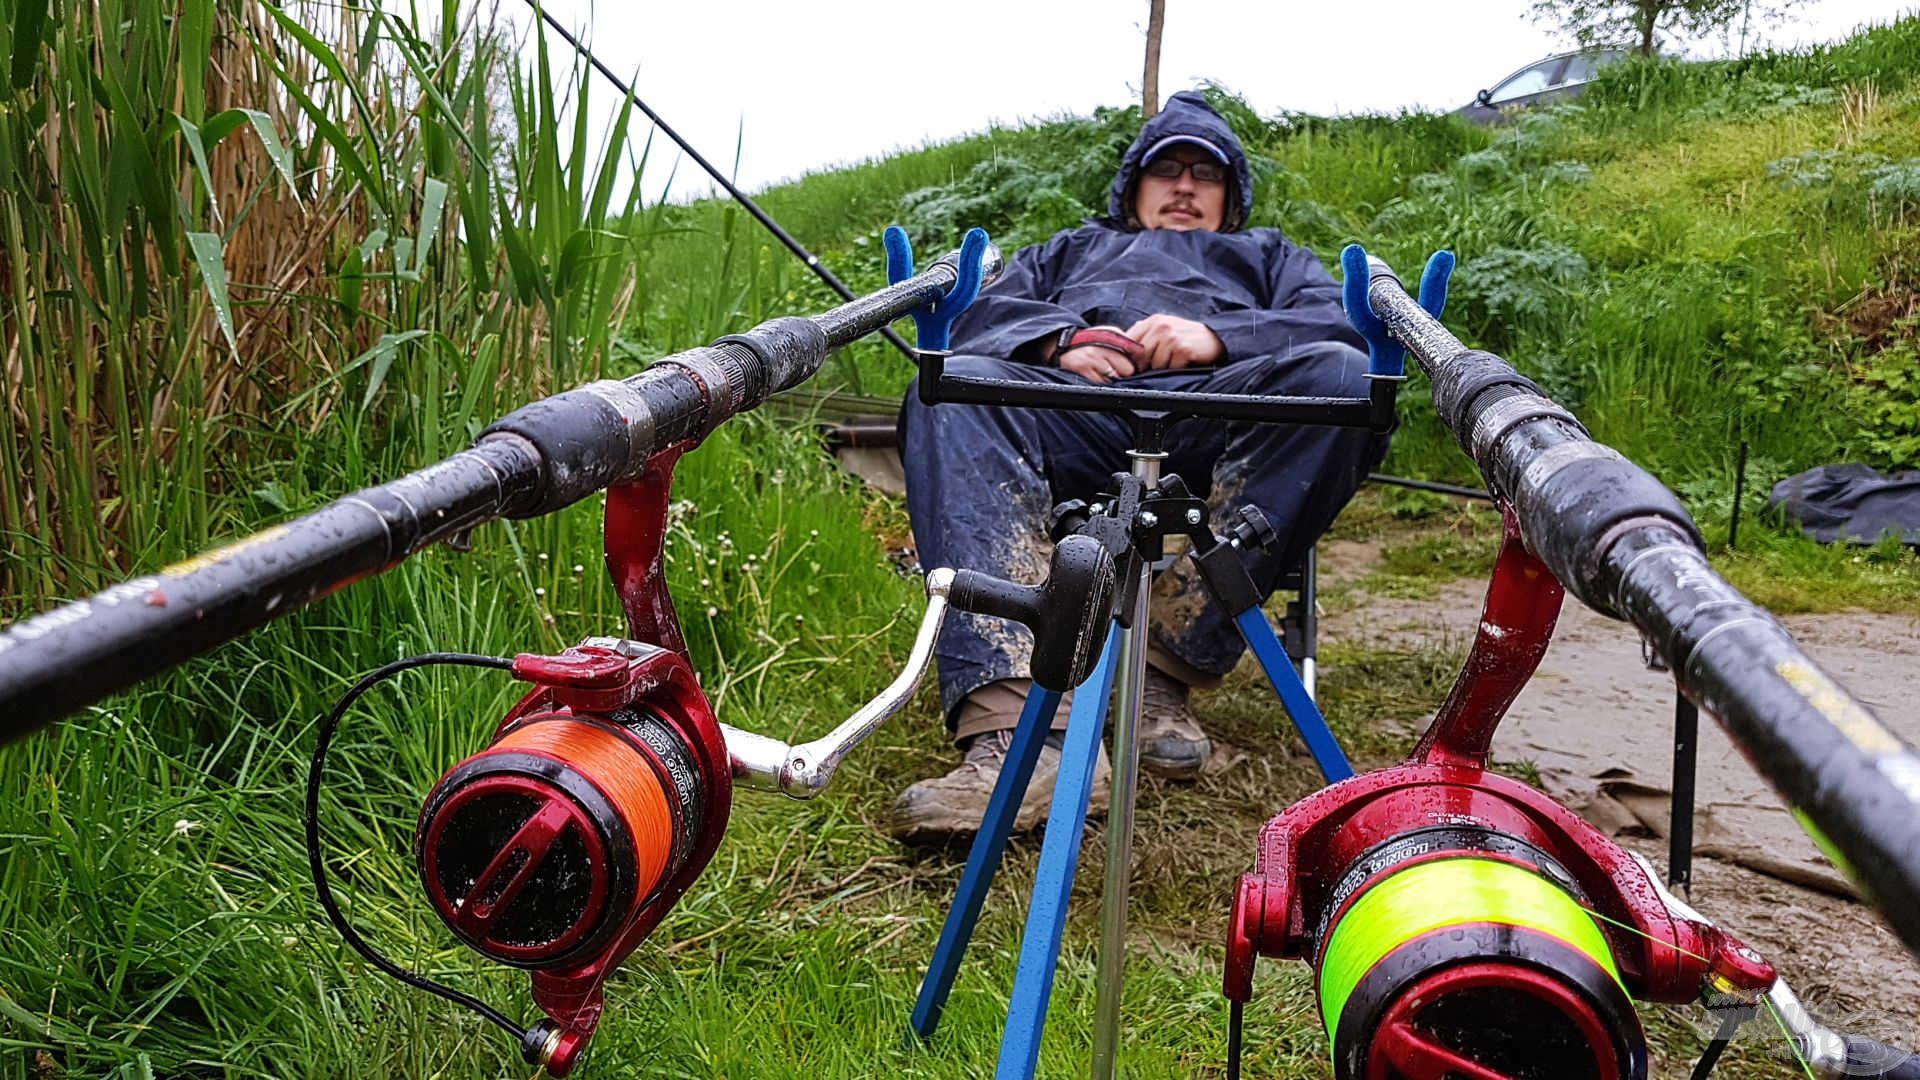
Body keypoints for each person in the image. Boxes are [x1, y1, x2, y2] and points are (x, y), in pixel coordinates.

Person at [888, 91, 1385, 840]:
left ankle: (1159, 668)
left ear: (1231, 196)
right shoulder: (1070, 249)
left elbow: (1345, 320)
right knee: (948, 387)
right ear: (1134, 187)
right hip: (1074, 409)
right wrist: (1059, 342)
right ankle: (1029, 736)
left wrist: (1216, 337)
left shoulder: (1270, 257)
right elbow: (978, 313)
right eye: (1166, 169)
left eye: (1206, 174)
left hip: (1220, 407)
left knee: (1347, 380)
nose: (1185, 185)